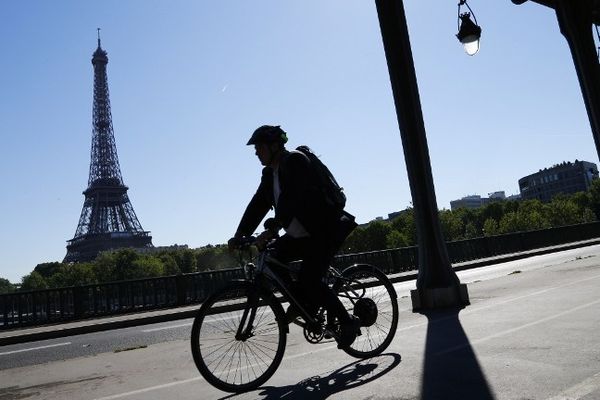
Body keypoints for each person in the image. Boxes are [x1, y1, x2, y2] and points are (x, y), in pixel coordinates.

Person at [228, 125, 360, 348]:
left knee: (311, 280)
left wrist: (272, 230)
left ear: (274, 146)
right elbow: (258, 203)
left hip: (323, 231)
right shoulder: (270, 173)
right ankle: (303, 303)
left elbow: (294, 200)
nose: (256, 152)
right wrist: (240, 234)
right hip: (299, 235)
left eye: (259, 147)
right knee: (275, 260)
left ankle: (347, 323)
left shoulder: (295, 162)